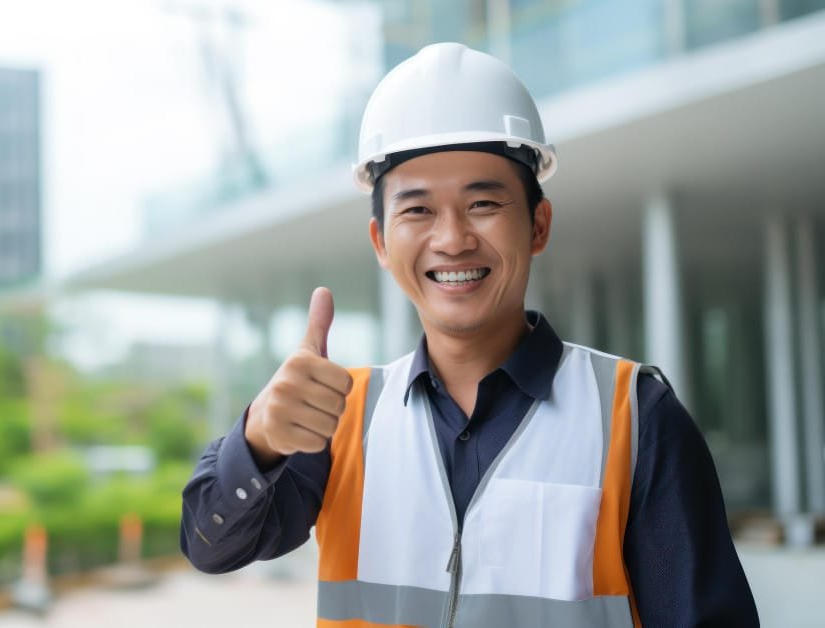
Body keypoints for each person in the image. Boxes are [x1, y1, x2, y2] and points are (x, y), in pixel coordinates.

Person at [181, 42, 759, 627]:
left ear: (538, 225)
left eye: (482, 203)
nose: (452, 239)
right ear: (381, 242)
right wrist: (259, 439)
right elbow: (211, 545)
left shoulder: (635, 416)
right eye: (418, 210)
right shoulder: (342, 419)